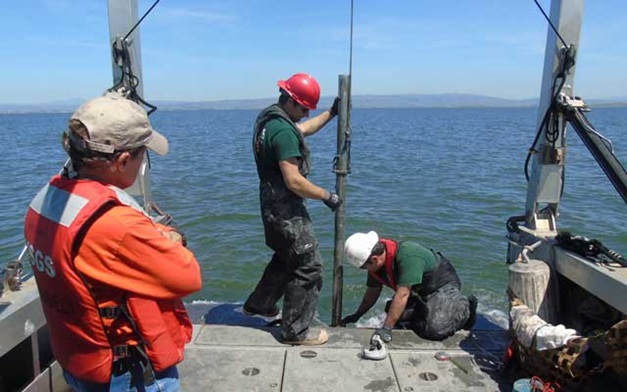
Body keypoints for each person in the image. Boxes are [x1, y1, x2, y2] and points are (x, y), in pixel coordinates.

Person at [24, 91, 202, 391]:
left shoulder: (49, 198)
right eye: (143, 154)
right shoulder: (115, 224)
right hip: (126, 373)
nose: (143, 163)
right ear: (121, 160)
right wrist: (169, 238)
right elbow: (189, 277)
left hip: (78, 358)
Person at [244, 73, 341, 345]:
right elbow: (294, 180)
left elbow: (305, 129)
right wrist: (327, 196)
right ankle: (296, 331)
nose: (306, 113)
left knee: (287, 257)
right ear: (290, 101)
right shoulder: (284, 131)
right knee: (309, 265)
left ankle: (259, 305)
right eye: (303, 108)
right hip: (286, 211)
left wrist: (331, 114)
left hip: (270, 205)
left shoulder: (270, 121)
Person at [341, 231, 477, 343]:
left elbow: (403, 295)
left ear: (375, 259)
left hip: (442, 286)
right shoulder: (376, 265)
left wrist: (386, 329)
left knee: (434, 329)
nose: (364, 270)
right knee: (395, 313)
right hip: (420, 290)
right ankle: (426, 309)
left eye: (364, 267)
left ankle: (465, 309)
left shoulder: (408, 256)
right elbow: (372, 291)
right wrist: (357, 315)